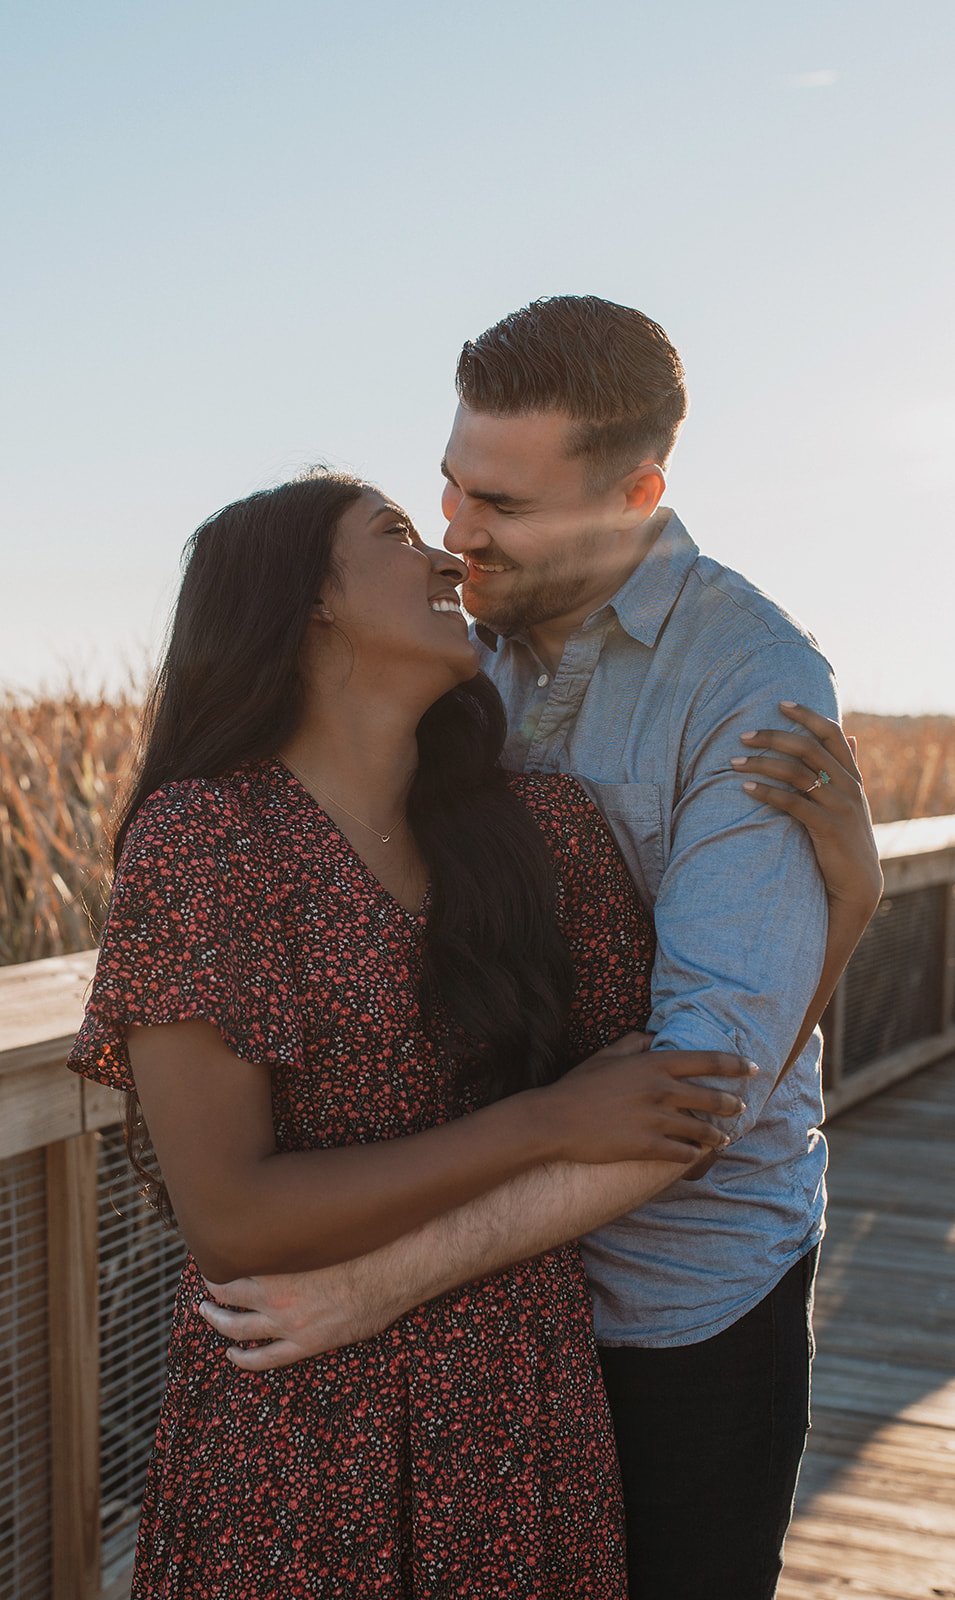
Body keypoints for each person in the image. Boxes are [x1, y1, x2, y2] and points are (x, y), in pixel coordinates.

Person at [199, 299, 884, 1600]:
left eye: (500, 506)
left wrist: (370, 1289)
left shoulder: (748, 680)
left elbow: (698, 1092)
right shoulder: (446, 648)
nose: (454, 533)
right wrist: (842, 920)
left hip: (669, 1295)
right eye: (450, 484)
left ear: (634, 495)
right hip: (486, 1302)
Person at [69, 470, 772, 1598]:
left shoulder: (536, 831)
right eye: (397, 534)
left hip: (519, 1413)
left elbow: (680, 1094)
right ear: (306, 601)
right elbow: (232, 1219)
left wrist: (844, 894)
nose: (448, 559)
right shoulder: (208, 840)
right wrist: (542, 1122)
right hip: (297, 1418)